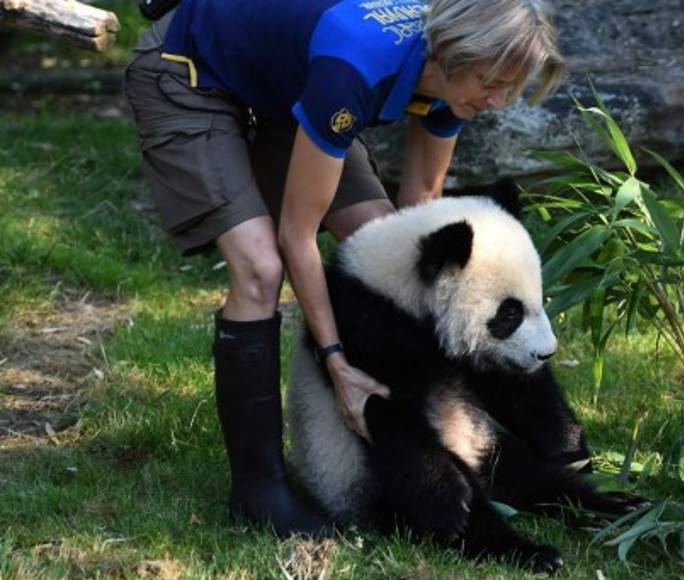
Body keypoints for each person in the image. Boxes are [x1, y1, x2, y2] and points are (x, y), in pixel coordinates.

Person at [123, 0, 564, 536]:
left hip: (285, 89)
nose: (497, 102)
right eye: (492, 83)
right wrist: (336, 362)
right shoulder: (358, 63)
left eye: (509, 90)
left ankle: (429, 435)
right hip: (189, 74)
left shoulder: (456, 83)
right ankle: (258, 488)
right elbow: (297, 235)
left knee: (377, 239)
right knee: (261, 267)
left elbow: (417, 211)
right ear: (454, 51)